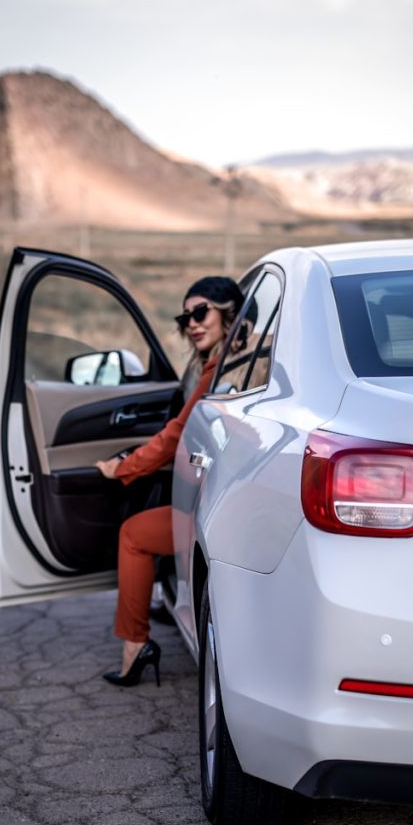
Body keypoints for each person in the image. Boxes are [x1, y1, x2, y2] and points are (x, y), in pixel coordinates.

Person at [95, 276, 244, 687]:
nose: (192, 323)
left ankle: (134, 646)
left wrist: (122, 468)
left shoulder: (219, 369)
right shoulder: (232, 363)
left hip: (213, 508)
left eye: (201, 312)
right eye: (185, 316)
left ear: (229, 313)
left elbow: (177, 434)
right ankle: (154, 620)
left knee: (134, 535)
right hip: (220, 499)